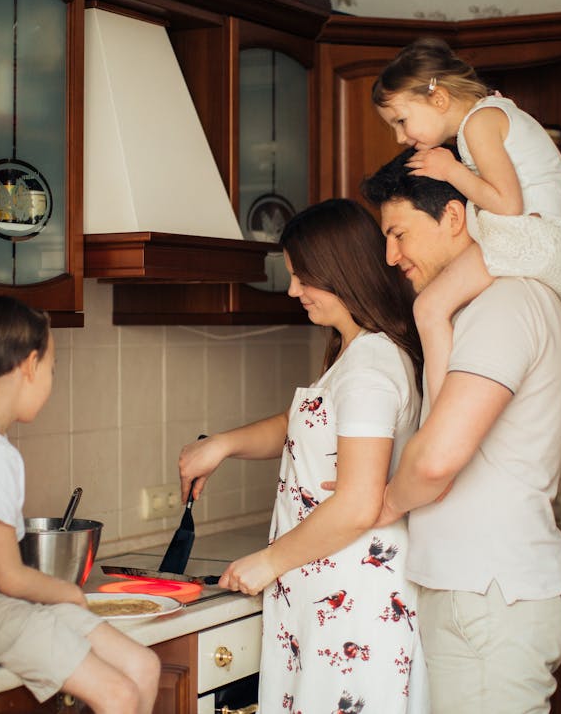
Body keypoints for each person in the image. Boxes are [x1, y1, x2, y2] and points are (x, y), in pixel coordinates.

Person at [177, 199, 429, 713]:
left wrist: (269, 561)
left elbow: (359, 503)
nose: (293, 290)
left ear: (342, 272)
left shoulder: (368, 368)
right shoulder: (356, 354)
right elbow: (308, 425)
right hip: (332, 586)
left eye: (302, 277)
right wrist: (222, 444)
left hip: (353, 600)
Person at [360, 151, 561, 713]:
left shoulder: (507, 303)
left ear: (454, 217)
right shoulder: (469, 308)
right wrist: (432, 314)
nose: (391, 255)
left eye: (399, 233)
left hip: (490, 595)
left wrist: (385, 501)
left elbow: (437, 461)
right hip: (478, 590)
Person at [0, 296, 160, 714]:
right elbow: (10, 577)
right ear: (29, 366)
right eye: (52, 369)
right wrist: (68, 591)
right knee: (119, 693)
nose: (51, 381)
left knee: (143, 666)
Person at [373, 37, 561, 403]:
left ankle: (437, 416)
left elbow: (507, 203)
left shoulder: (479, 124)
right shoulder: (493, 113)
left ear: (439, 98)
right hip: (545, 240)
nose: (399, 137)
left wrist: (450, 170)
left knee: (429, 307)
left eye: (402, 121)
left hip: (528, 238)